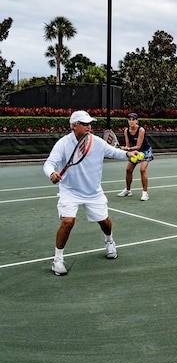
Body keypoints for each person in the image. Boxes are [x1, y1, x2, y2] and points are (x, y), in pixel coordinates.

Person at [43, 110, 142, 276]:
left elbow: (113, 152)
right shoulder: (63, 143)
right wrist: (51, 173)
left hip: (93, 192)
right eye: (85, 124)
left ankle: (109, 241)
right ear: (74, 126)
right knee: (67, 222)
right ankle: (58, 260)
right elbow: (49, 163)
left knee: (104, 222)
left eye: (90, 123)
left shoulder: (97, 142)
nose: (89, 127)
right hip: (70, 191)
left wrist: (127, 154)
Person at [117, 112, 154, 201]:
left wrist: (127, 148)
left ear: (137, 121)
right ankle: (128, 191)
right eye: (129, 120)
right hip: (135, 152)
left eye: (133, 120)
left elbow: (138, 146)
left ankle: (145, 193)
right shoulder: (126, 130)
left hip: (145, 151)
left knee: (142, 170)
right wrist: (126, 148)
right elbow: (128, 145)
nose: (131, 121)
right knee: (128, 170)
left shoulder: (141, 130)